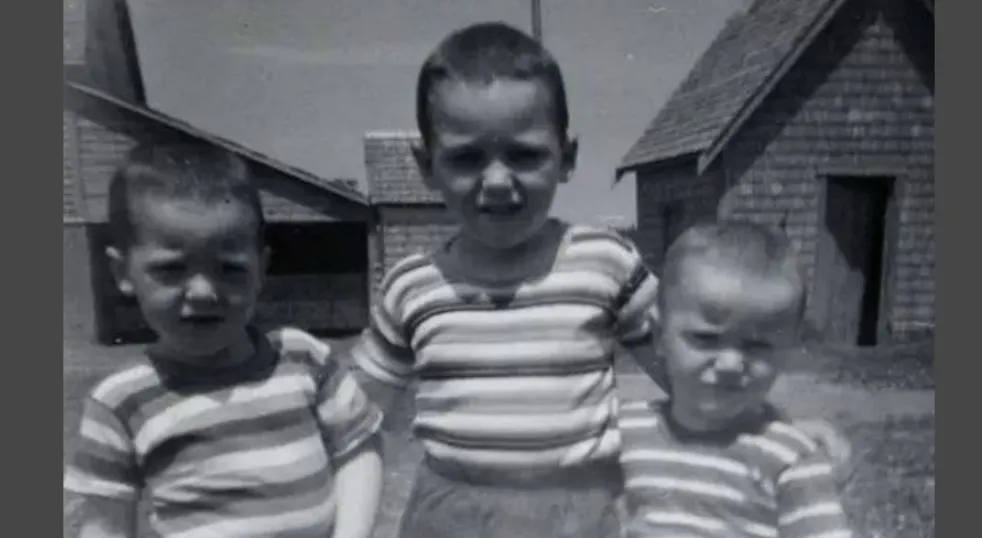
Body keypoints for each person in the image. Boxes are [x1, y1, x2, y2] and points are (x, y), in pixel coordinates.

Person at [347, 21, 851, 538]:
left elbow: (686, 367)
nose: (497, 181)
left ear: (566, 158)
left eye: (524, 154)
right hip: (451, 510)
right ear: (426, 166)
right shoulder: (412, 286)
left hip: (576, 511)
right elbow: (355, 412)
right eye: (466, 158)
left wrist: (776, 427)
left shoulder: (603, 262)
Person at [63, 141, 384, 538]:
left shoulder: (301, 359)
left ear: (261, 269)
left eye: (229, 269)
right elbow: (104, 526)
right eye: (171, 269)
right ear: (122, 272)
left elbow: (358, 448)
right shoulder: (120, 403)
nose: (202, 292)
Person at [618, 221, 853, 538]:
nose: (730, 364)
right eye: (706, 338)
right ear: (659, 336)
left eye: (757, 346)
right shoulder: (622, 434)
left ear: (786, 351)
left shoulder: (789, 458)